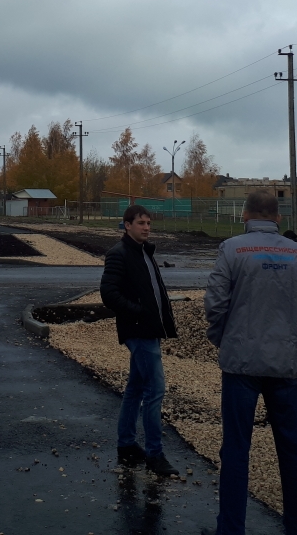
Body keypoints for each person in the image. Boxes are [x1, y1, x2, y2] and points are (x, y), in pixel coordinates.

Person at [202, 190, 297, 535]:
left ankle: (231, 529)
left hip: (241, 364)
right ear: (279, 218)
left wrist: (222, 338)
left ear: (245, 215)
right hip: (286, 364)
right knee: (292, 447)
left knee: (236, 449)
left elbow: (215, 303)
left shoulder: (232, 249)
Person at [100, 203, 180, 477]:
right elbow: (108, 293)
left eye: (148, 223)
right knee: (154, 391)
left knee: (135, 388)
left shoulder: (145, 252)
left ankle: (126, 445)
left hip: (149, 330)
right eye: (141, 223)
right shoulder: (119, 254)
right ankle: (155, 455)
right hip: (139, 332)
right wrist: (138, 312)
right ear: (127, 225)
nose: (147, 228)